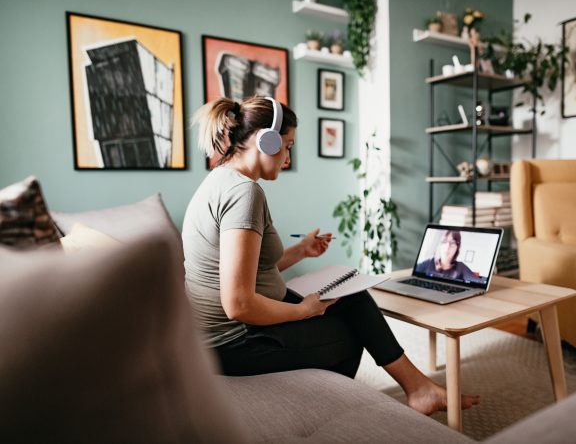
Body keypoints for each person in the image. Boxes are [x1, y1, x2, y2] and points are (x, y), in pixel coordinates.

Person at [182, 96, 480, 415]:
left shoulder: (221, 180)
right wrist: (304, 312)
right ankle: (329, 412)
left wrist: (301, 251)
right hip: (235, 343)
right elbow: (238, 304)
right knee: (353, 334)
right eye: (288, 145)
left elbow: (246, 269)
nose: (287, 156)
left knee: (352, 297)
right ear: (265, 141)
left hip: (223, 338)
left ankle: (420, 390)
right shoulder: (244, 193)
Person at [415, 230, 484, 283]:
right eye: (445, 242)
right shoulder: (428, 263)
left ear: (457, 248)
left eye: (452, 243)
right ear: (440, 245)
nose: (447, 247)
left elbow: (478, 282)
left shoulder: (461, 267)